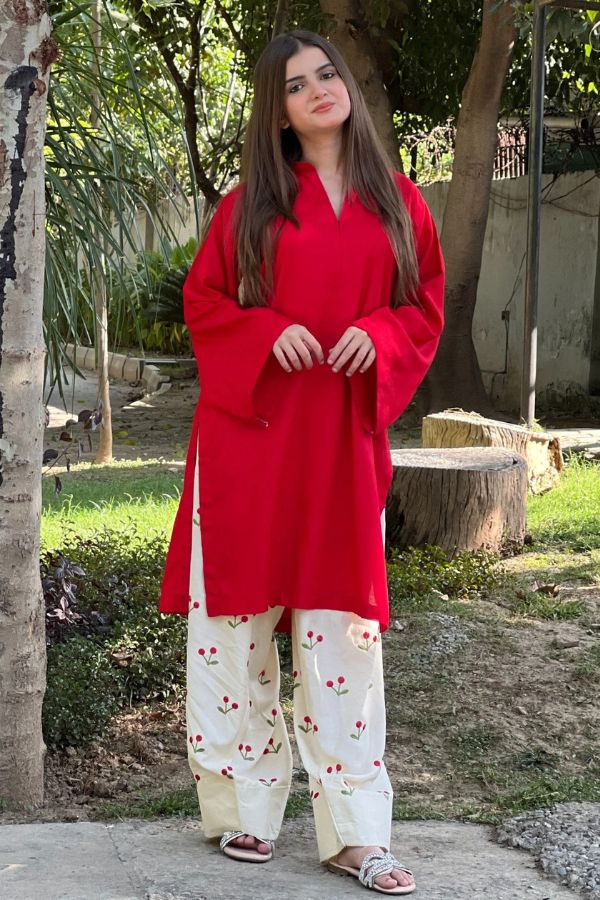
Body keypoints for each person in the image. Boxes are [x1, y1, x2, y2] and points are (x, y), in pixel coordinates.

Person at [158, 29, 445, 896]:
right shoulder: (247, 205)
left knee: (341, 633)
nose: (321, 90)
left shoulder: (399, 202)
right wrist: (263, 328)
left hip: (337, 444)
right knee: (234, 629)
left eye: (329, 74)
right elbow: (202, 301)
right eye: (297, 84)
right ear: (276, 113)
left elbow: (424, 305)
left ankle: (357, 833)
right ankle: (245, 810)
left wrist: (380, 331)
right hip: (248, 439)